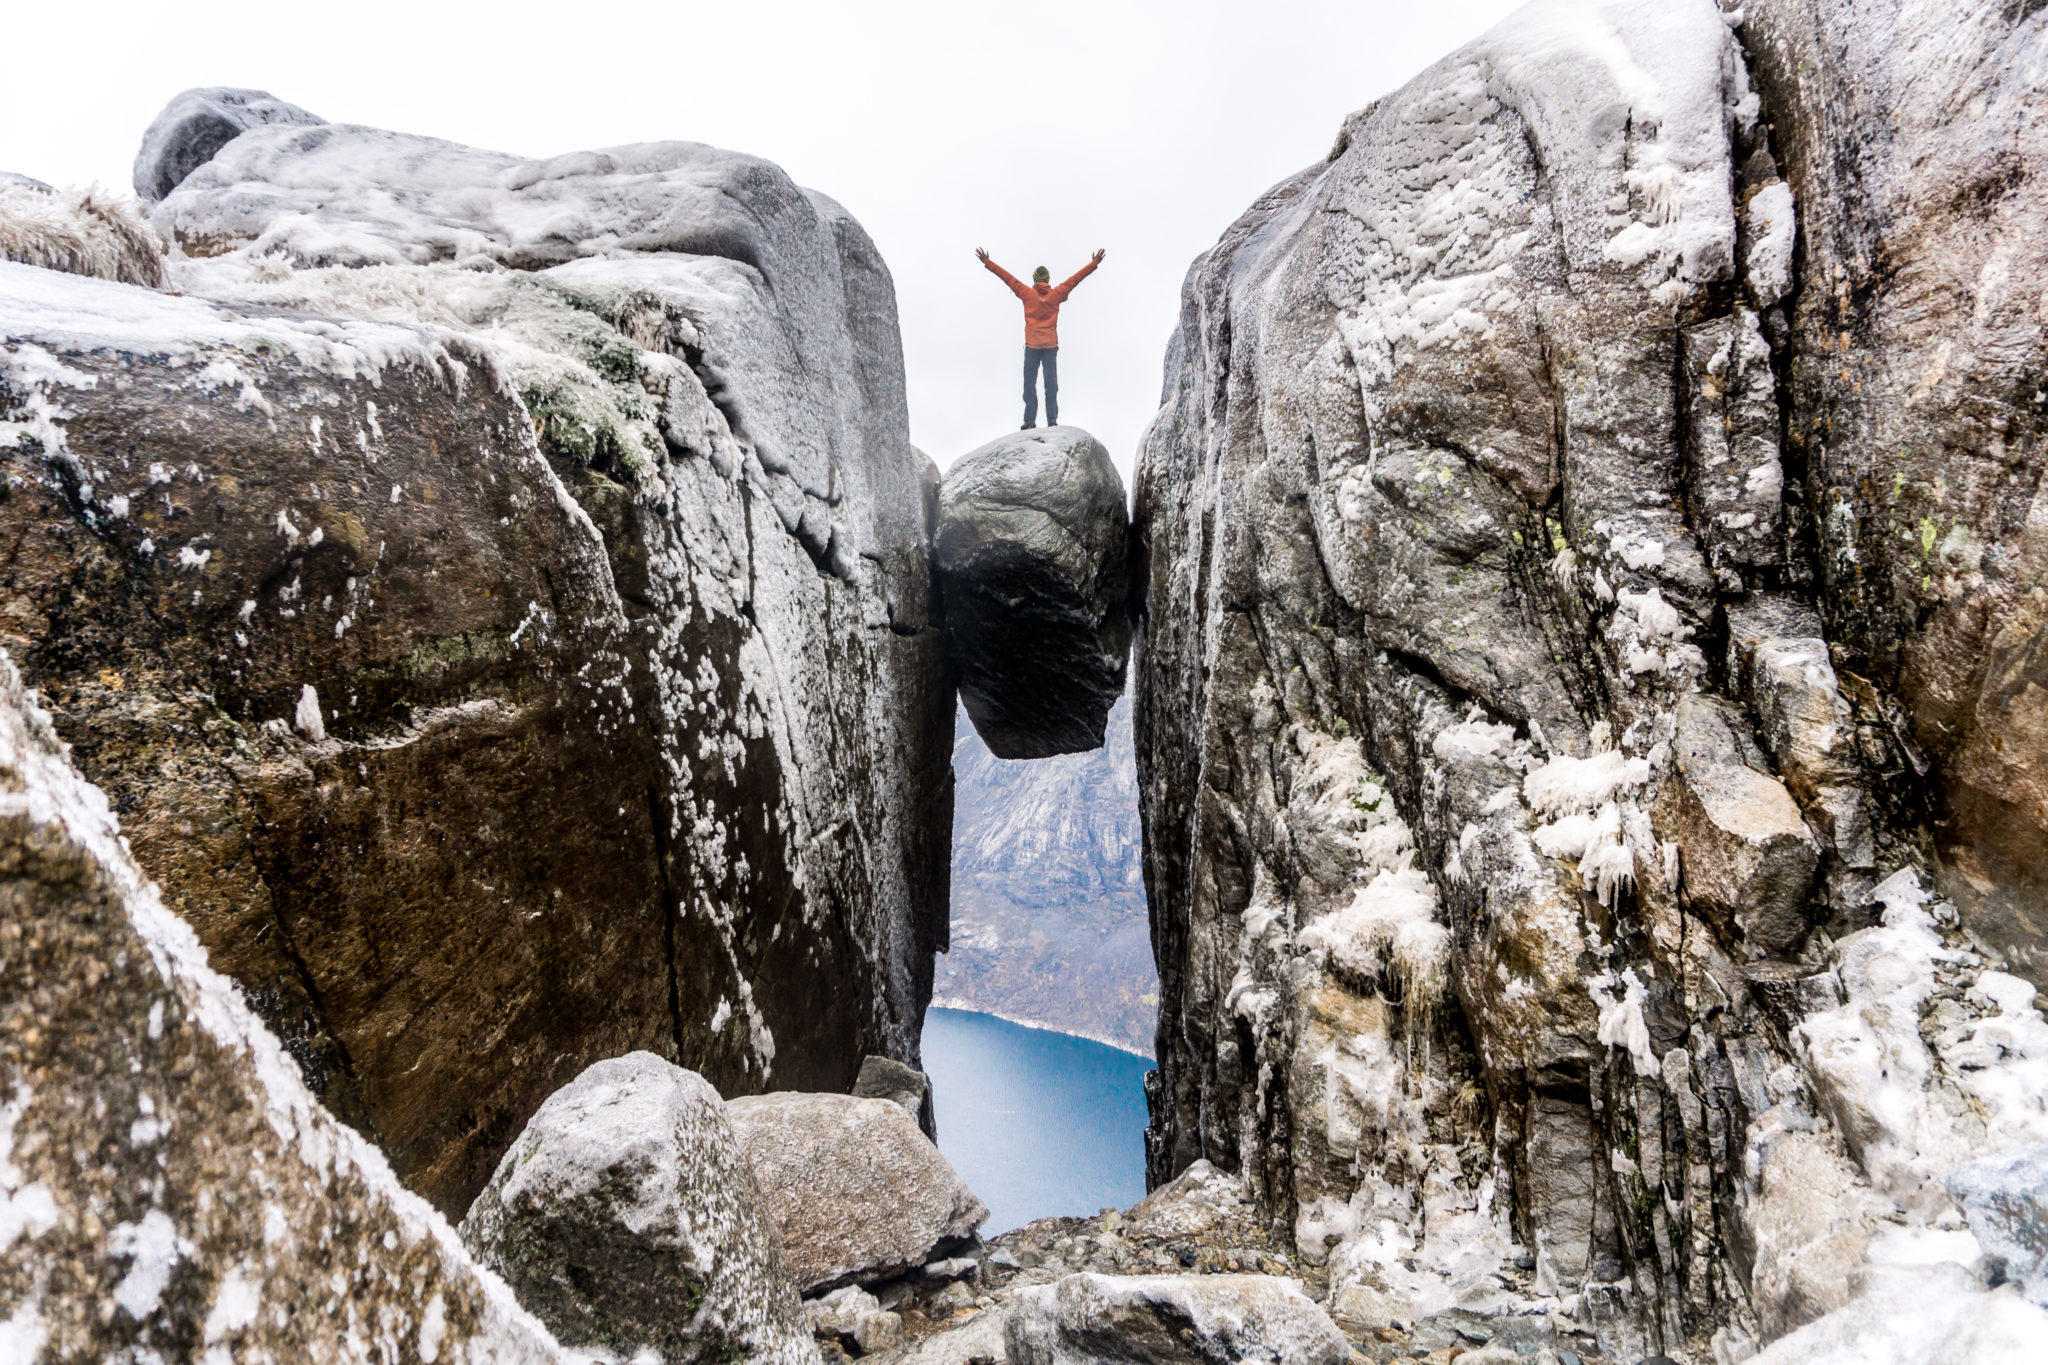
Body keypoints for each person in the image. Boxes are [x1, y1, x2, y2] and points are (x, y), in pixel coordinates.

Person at [976, 247, 1105, 429]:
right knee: (1051, 385)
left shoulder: (1026, 293)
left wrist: (988, 263)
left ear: (1035, 280)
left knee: (1029, 386)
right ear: (1047, 280)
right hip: (1050, 346)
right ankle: (1052, 421)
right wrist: (1093, 264)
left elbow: (1007, 278)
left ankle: (1029, 422)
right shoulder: (1056, 293)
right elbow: (1075, 280)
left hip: (1032, 347)